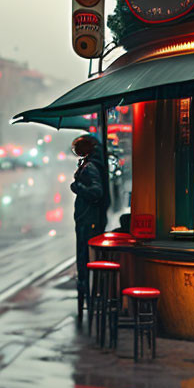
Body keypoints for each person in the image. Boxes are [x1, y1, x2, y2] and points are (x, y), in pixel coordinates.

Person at [70, 134, 109, 324]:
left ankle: (88, 295)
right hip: (87, 219)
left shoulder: (90, 167)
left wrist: (78, 188)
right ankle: (89, 295)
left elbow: (96, 192)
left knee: (85, 259)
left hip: (88, 221)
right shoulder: (91, 164)